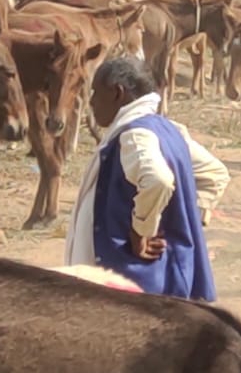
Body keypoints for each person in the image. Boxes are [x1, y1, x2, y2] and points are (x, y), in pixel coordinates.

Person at [64, 57, 230, 301]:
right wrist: (184, 219)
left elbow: (157, 180)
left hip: (130, 281)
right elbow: (215, 174)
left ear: (117, 93)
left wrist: (142, 231)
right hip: (161, 276)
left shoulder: (135, 135)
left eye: (96, 94)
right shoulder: (168, 129)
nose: (91, 102)